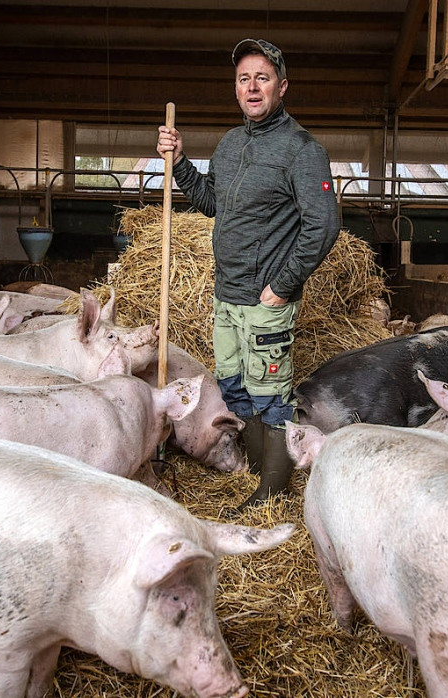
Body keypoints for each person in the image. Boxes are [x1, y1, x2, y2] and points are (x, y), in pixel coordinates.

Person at [157, 38, 340, 509]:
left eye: (262, 77)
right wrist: (179, 162)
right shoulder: (231, 144)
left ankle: (273, 491)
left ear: (281, 86)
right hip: (226, 295)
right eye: (243, 79)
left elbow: (324, 224)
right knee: (236, 388)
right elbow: (210, 201)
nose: (252, 86)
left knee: (272, 396)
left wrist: (282, 287)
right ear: (236, 90)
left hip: (264, 300)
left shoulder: (302, 149)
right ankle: (251, 469)